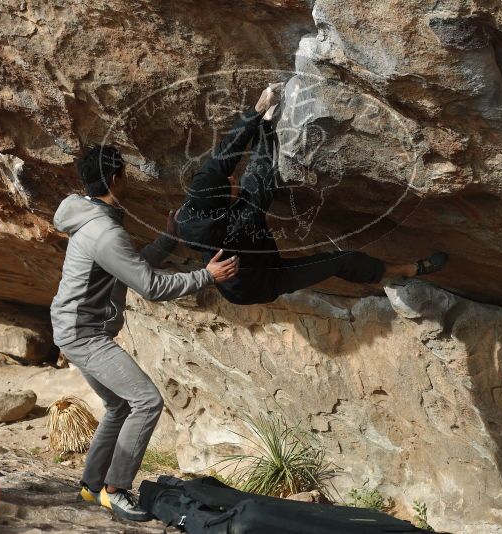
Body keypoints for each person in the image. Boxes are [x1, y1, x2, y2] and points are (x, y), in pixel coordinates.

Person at [50, 145, 239, 521]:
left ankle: (91, 486)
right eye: (126, 173)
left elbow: (129, 267)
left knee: (120, 405)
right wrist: (208, 276)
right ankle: (116, 489)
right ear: (117, 178)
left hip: (71, 327)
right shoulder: (105, 230)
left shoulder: (90, 217)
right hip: (84, 334)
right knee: (146, 402)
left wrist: (167, 240)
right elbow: (150, 286)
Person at [176, 84, 448, 306]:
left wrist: (258, 109)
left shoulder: (196, 201)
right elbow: (261, 170)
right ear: (227, 203)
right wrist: (267, 125)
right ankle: (404, 270)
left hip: (244, 257)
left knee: (245, 183)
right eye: (230, 185)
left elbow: (225, 152)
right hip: (258, 285)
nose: (232, 177)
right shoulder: (242, 220)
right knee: (340, 261)